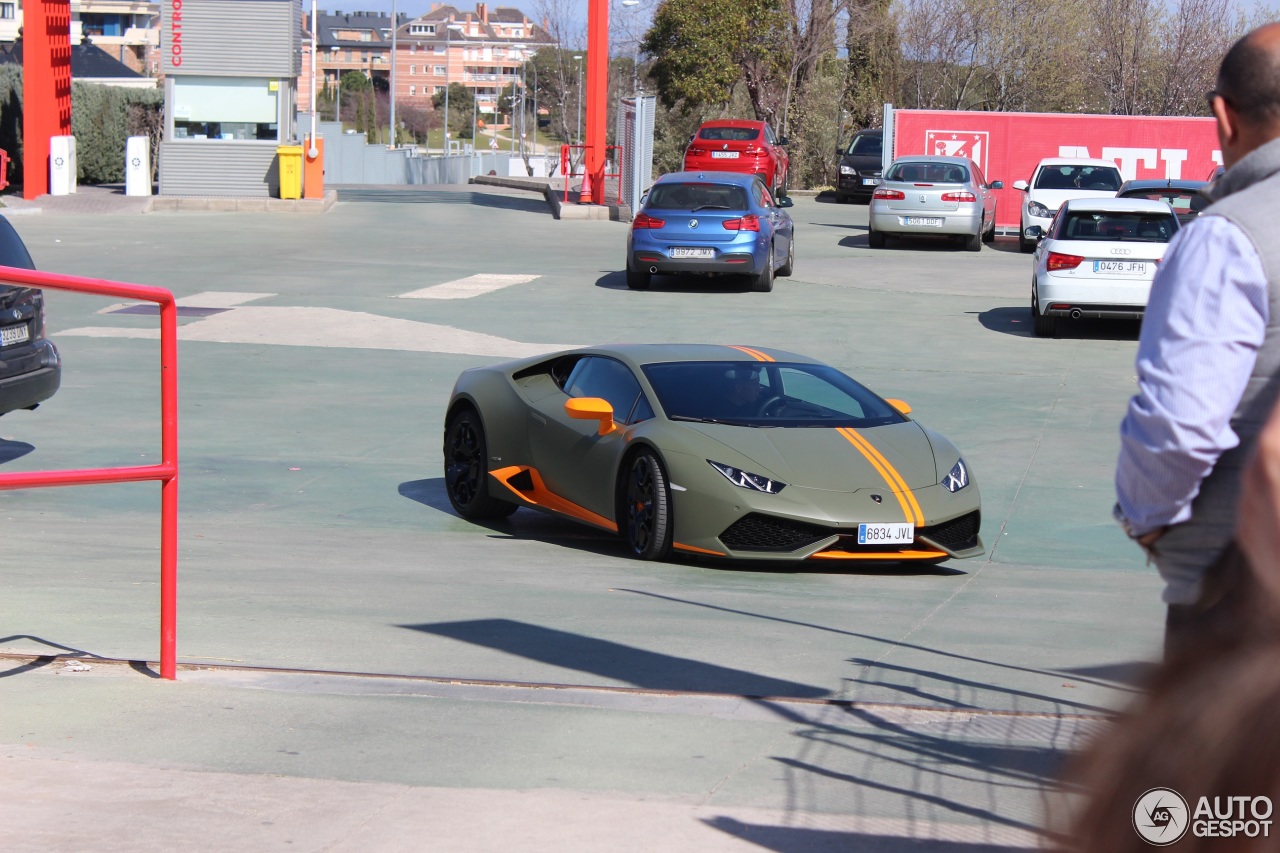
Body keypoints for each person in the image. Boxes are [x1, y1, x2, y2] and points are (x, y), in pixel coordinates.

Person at [1114, 22, 1280, 657]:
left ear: (1223, 117)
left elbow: (1179, 424)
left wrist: (1148, 523)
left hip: (1239, 603)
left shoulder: (1227, 238)